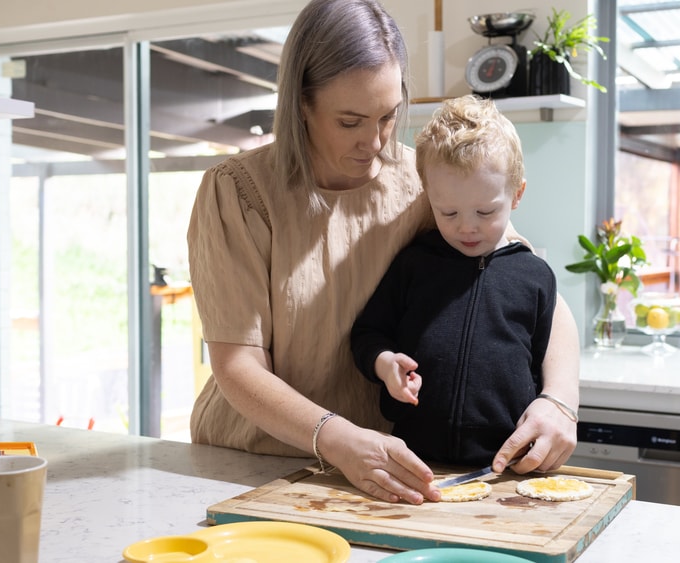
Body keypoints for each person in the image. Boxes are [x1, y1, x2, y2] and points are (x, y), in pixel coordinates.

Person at [187, 0, 580, 505]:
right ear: (301, 104)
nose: (373, 142)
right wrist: (336, 437)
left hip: (380, 471)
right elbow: (237, 365)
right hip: (250, 462)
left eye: (388, 116)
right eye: (349, 121)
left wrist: (559, 402)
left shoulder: (422, 182)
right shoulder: (239, 191)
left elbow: (533, 285)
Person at [351, 95, 574, 467]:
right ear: (428, 195)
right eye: (448, 211)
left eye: (485, 211)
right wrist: (384, 361)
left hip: (509, 466)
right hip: (415, 462)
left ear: (517, 194)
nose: (466, 226)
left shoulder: (535, 276)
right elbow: (367, 333)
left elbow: (545, 361)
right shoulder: (414, 264)